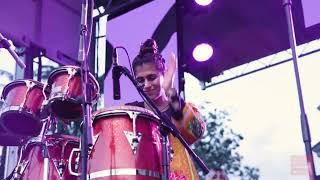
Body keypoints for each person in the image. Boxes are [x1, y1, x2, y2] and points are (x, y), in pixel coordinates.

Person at [127, 39, 206, 179]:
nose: (146, 84)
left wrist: (170, 91)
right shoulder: (132, 112)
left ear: (164, 75)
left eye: (151, 77)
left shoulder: (179, 108)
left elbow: (197, 132)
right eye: (140, 80)